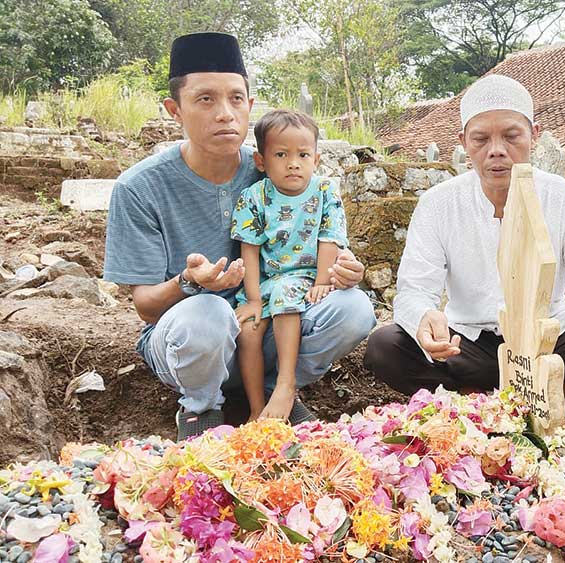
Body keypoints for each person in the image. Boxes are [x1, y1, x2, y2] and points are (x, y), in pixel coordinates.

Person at [103, 33, 375, 440]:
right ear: (174, 110)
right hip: (190, 343)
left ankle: (276, 389)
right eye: (206, 99)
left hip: (270, 324)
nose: (225, 114)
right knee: (209, 311)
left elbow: (324, 240)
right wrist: (189, 281)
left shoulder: (279, 168)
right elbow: (145, 306)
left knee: (354, 309)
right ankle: (200, 407)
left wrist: (344, 270)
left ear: (250, 105)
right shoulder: (140, 188)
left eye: (235, 99)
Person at [364, 75, 565, 423]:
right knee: (386, 347)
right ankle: (476, 396)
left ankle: (562, 385)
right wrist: (424, 318)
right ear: (463, 141)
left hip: (548, 339)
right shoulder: (438, 203)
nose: (496, 150)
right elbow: (414, 289)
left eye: (511, 136)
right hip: (470, 342)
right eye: (480, 138)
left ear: (534, 135)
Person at [231, 109, 349, 421]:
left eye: (303, 154)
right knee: (248, 332)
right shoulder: (254, 196)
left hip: (307, 275)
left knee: (285, 296)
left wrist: (324, 279)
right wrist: (254, 298)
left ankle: (285, 384)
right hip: (268, 280)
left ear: (316, 158)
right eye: (281, 154)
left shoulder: (324, 191)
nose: (293, 163)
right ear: (261, 161)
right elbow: (250, 249)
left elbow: (329, 238)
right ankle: (256, 408)